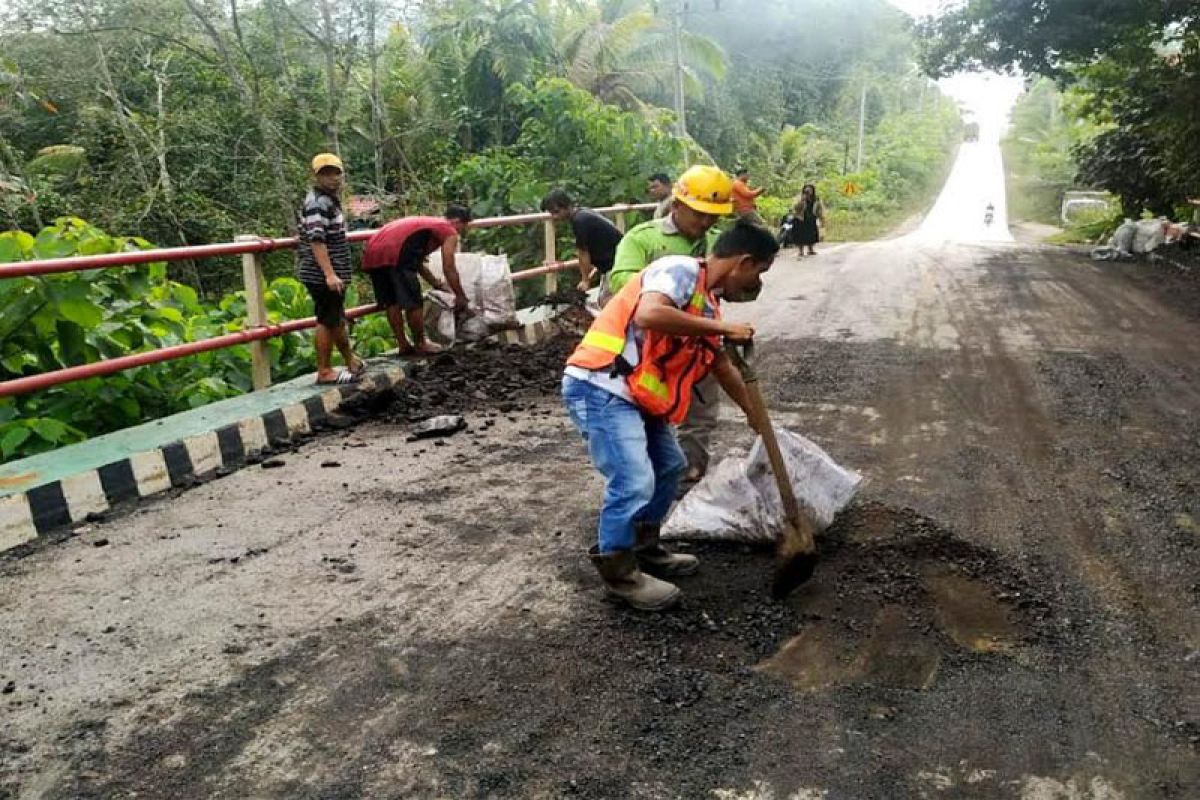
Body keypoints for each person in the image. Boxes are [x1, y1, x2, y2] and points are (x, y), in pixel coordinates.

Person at [562, 220, 780, 610]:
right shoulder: (679, 269)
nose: (756, 282)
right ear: (743, 262)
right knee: (633, 480)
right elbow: (648, 314)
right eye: (759, 272)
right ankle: (620, 574)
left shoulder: (707, 303)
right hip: (600, 384)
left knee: (669, 467)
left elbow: (721, 366)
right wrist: (722, 326)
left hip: (635, 394)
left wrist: (755, 416)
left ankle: (644, 548)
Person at [609, 165, 734, 492]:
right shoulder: (643, 238)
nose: (706, 223)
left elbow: (740, 284)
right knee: (648, 408)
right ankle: (646, 479)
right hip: (650, 346)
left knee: (701, 409)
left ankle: (690, 474)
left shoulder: (718, 244)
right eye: (699, 214)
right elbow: (620, 282)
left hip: (697, 343)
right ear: (677, 204)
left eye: (713, 217)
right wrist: (668, 289)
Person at [362, 206, 473, 356]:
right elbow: (449, 267)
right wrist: (460, 295)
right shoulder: (448, 229)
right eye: (464, 226)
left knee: (391, 302)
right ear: (457, 221)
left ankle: (403, 344)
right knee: (414, 301)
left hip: (373, 252)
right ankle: (421, 343)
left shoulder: (427, 225)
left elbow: (418, 262)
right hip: (397, 253)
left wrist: (437, 284)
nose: (463, 231)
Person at [296, 153, 365, 385]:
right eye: (325, 173)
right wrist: (329, 273)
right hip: (322, 273)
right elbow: (317, 240)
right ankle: (324, 371)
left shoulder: (329, 200)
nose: (332, 178)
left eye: (335, 172)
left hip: (331, 271)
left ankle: (350, 360)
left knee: (335, 318)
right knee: (327, 320)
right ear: (315, 176)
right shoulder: (317, 203)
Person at [540, 189, 624, 306]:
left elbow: (583, 252)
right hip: (618, 260)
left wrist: (585, 280)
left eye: (556, 212)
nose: (555, 217)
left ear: (566, 206)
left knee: (607, 302)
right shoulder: (584, 213)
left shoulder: (579, 221)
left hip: (616, 265)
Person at [793, 184, 825, 256]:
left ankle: (810, 249)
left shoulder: (816, 199)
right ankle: (800, 251)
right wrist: (802, 200)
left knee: (811, 235)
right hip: (800, 218)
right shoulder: (800, 197)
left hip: (811, 218)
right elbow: (795, 207)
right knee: (800, 235)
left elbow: (820, 209)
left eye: (809, 190)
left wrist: (821, 218)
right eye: (806, 190)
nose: (808, 192)